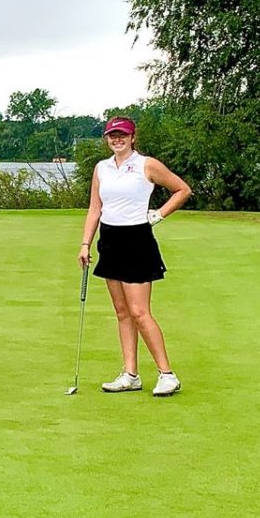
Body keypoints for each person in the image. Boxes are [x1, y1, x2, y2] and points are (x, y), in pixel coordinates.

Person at [79, 116, 191, 397]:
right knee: (122, 312)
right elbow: (95, 208)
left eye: (122, 135)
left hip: (137, 240)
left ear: (132, 137)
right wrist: (85, 243)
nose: (117, 140)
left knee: (140, 312)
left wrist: (159, 214)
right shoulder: (101, 168)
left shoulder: (146, 164)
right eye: (112, 135)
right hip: (110, 240)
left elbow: (182, 190)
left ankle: (167, 374)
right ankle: (130, 373)